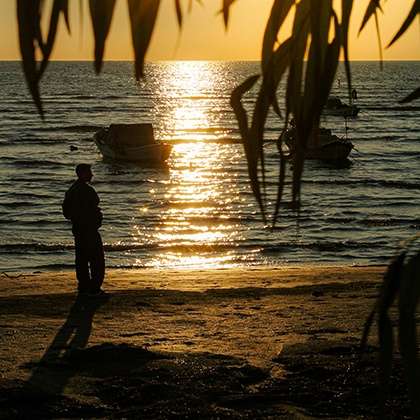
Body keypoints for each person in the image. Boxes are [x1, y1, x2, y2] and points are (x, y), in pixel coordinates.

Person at [62, 164, 105, 295]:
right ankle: (94, 286)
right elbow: (93, 205)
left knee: (82, 259)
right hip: (89, 229)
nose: (92, 175)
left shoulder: (72, 190)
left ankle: (84, 285)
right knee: (96, 259)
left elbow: (66, 212)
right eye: (89, 172)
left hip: (79, 229)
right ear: (82, 174)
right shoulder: (86, 190)